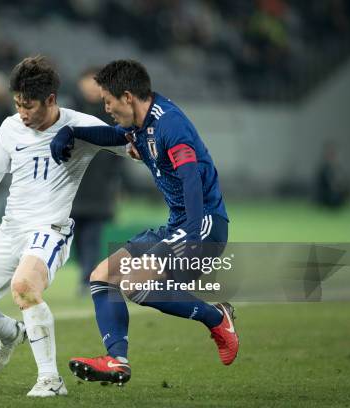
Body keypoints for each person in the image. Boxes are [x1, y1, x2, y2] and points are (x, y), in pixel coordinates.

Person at [0, 56, 126, 397]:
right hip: (10, 230)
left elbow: (130, 145)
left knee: (24, 286)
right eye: (17, 104)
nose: (22, 113)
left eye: (29, 106)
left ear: (51, 100)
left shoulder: (80, 125)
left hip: (50, 230)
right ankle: (10, 333)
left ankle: (50, 380)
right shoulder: (11, 127)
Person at [50, 59, 239, 385]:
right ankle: (116, 361)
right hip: (175, 224)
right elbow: (113, 136)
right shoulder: (140, 121)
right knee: (102, 277)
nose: (105, 107)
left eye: (107, 101)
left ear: (127, 96)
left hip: (203, 224)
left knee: (136, 283)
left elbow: (191, 178)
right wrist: (72, 133)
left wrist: (193, 236)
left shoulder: (170, 126)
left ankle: (217, 317)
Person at [70, 67, 121, 296]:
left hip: (99, 186)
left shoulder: (111, 114)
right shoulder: (68, 111)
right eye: (87, 81)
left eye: (95, 83)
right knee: (76, 237)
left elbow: (120, 152)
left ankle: (87, 278)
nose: (91, 87)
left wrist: (117, 183)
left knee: (92, 235)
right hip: (72, 186)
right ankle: (85, 272)